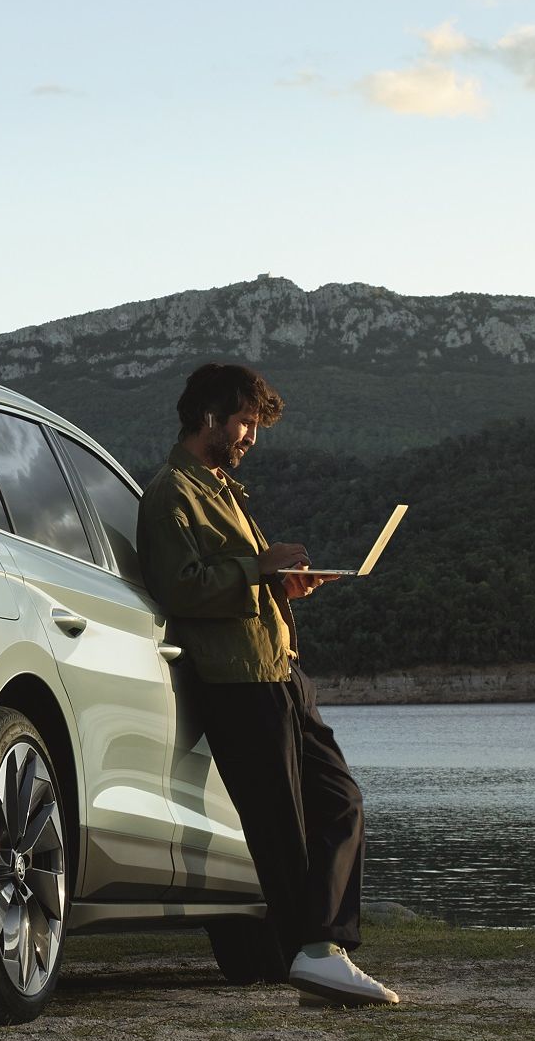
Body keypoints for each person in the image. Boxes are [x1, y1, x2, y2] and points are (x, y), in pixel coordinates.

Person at [136, 362, 399, 1006]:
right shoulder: (172, 494)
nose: (252, 436)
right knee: (279, 824)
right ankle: (315, 953)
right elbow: (182, 589)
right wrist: (259, 565)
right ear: (210, 420)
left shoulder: (222, 490)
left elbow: (233, 585)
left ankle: (322, 948)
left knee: (340, 801)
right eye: (246, 423)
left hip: (280, 672)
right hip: (236, 682)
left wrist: (281, 584)